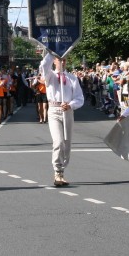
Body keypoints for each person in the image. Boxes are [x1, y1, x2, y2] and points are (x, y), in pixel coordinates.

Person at [39, 51, 85, 186]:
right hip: (54, 110)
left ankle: (62, 171)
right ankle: (57, 172)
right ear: (54, 61)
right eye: (59, 60)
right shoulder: (50, 76)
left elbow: (79, 98)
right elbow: (43, 65)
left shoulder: (72, 78)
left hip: (67, 111)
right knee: (58, 142)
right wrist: (51, 51)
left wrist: (70, 105)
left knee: (66, 143)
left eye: (64, 60)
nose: (62, 62)